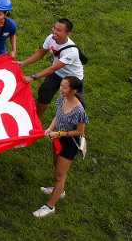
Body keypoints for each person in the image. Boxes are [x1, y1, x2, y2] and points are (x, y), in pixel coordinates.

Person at [33, 76, 88, 218]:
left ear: (74, 91)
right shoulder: (62, 99)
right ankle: (59, 190)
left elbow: (80, 132)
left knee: (60, 174)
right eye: (61, 86)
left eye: (64, 87)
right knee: (56, 166)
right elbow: (57, 117)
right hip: (58, 138)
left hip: (69, 143)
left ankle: (50, 206)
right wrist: (49, 129)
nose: (60, 89)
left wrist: (58, 133)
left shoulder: (79, 111)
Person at [18, 18, 85, 120]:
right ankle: (37, 121)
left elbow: (53, 68)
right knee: (44, 94)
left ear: (67, 34)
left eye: (59, 30)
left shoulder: (71, 51)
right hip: (57, 73)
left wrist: (33, 77)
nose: (54, 31)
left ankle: (79, 129)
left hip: (72, 78)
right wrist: (24, 63)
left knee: (76, 105)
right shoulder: (51, 38)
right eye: (54, 28)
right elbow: (41, 53)